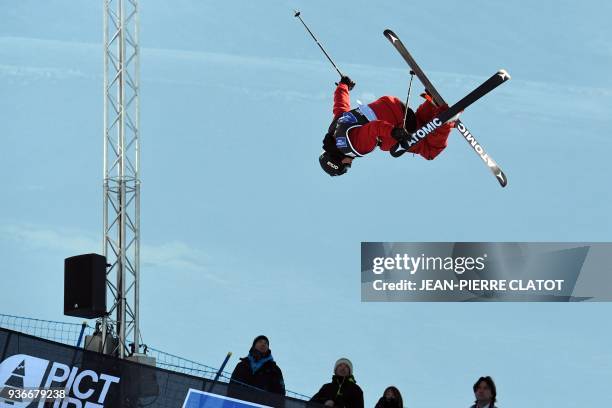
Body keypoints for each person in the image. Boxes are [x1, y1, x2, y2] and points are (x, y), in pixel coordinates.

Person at [319, 76, 455, 176]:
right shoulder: (334, 130)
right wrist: (343, 86)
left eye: (346, 167)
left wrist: (393, 132)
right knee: (419, 130)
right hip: (390, 104)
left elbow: (373, 127)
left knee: (429, 151)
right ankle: (431, 106)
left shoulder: (353, 147)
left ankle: (445, 120)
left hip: (396, 119)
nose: (350, 165)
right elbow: (340, 105)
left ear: (338, 160)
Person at [228, 335, 285, 405]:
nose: (263, 344)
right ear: (254, 345)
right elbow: (231, 387)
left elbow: (280, 395)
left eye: (266, 343)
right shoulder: (241, 365)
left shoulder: (274, 369)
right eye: (260, 342)